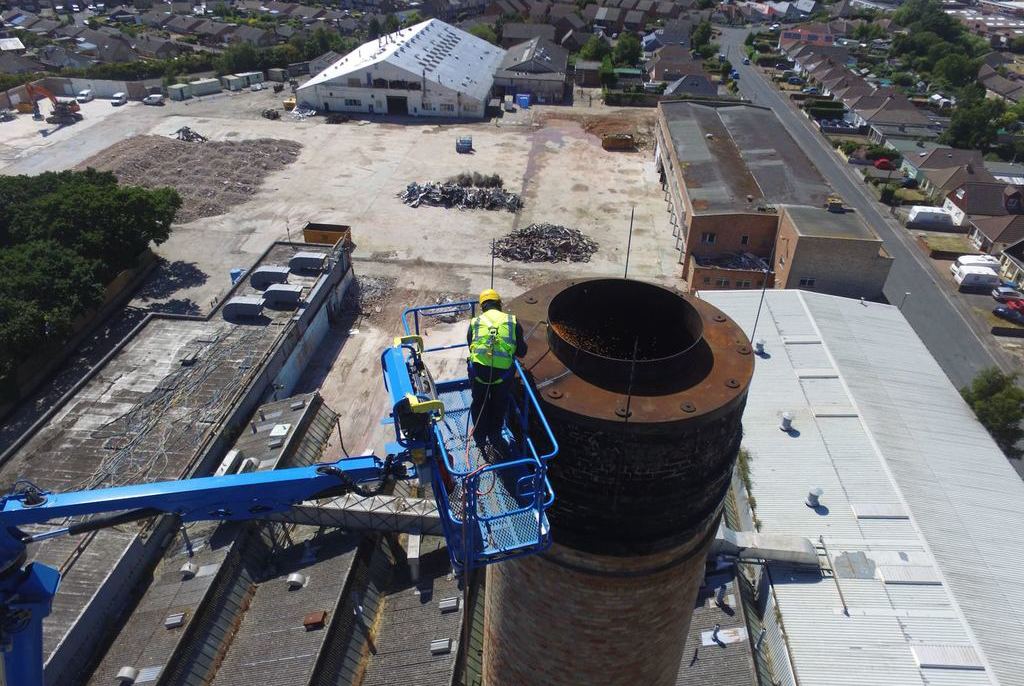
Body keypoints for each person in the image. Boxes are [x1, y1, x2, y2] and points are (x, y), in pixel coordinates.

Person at [467, 288, 528, 459]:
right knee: (499, 403)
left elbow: (471, 345)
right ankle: (495, 435)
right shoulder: (512, 321)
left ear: (482, 306)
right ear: (499, 304)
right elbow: (522, 351)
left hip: (479, 373)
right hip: (502, 376)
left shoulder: (475, 322)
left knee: (479, 402)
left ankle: (479, 436)